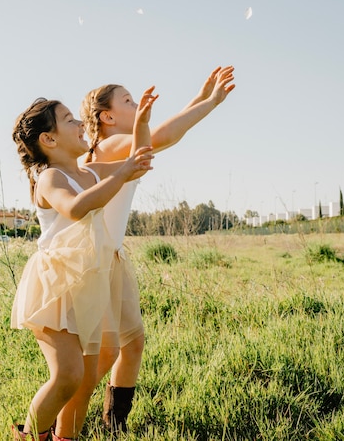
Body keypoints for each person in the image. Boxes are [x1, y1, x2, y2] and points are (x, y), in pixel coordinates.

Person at [78, 65, 235, 434]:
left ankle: (113, 425)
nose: (136, 105)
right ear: (108, 117)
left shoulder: (116, 144)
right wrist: (211, 103)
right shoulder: (111, 145)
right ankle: (57, 420)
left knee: (132, 343)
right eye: (128, 100)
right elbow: (164, 135)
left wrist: (200, 96)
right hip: (95, 262)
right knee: (104, 355)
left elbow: (163, 128)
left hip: (113, 257)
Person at [10, 90, 157, 441]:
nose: (80, 124)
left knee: (86, 380)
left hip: (89, 282)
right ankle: (31, 435)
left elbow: (139, 159)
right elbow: (75, 208)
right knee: (68, 374)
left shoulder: (89, 172)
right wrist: (119, 175)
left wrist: (142, 124)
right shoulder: (50, 178)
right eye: (69, 121)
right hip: (55, 285)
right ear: (49, 139)